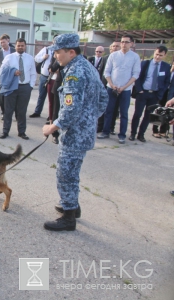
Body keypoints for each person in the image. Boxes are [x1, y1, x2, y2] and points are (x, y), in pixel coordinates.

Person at [42, 33, 108, 231]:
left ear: (71, 52)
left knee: (66, 174)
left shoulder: (74, 73)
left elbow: (70, 110)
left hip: (74, 135)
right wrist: (89, 119)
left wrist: (52, 127)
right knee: (73, 172)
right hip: (84, 131)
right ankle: (73, 207)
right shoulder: (87, 66)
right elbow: (103, 98)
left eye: (58, 52)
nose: (55, 56)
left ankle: (68, 217)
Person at [98, 34, 141, 144]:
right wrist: (112, 84)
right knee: (109, 111)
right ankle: (105, 131)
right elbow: (107, 72)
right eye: (122, 42)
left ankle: (121, 135)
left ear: (131, 43)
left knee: (124, 113)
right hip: (111, 88)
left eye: (126, 42)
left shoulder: (135, 57)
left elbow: (136, 74)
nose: (123, 44)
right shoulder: (113, 56)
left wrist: (124, 87)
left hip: (125, 90)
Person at [130, 46, 171, 142]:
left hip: (154, 95)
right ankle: (133, 133)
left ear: (164, 55)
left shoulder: (166, 66)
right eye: (156, 54)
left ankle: (141, 134)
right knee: (137, 114)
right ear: (154, 53)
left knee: (148, 116)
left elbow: (166, 82)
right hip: (143, 93)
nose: (158, 57)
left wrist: (160, 94)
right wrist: (139, 90)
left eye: (160, 55)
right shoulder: (145, 63)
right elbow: (137, 77)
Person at [0, 38, 36, 140]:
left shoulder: (30, 58)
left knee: (22, 111)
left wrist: (30, 86)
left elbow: (33, 73)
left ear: (25, 46)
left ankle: (22, 132)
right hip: (11, 88)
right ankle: (5, 131)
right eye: (18, 45)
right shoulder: (9, 57)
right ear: (15, 46)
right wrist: (13, 72)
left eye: (22, 45)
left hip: (25, 87)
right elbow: (2, 71)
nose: (20, 47)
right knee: (8, 111)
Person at [97, 41, 120, 133]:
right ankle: (100, 126)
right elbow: (100, 73)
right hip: (105, 86)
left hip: (117, 88)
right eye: (113, 46)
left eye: (117, 46)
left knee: (114, 108)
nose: (115, 48)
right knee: (103, 107)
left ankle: (111, 127)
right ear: (110, 49)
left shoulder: (121, 59)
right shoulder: (105, 58)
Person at [30, 37, 55, 118]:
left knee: (52, 97)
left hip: (53, 77)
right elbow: (36, 58)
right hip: (44, 76)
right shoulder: (46, 49)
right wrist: (43, 57)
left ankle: (51, 115)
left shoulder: (60, 51)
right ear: (53, 41)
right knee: (41, 95)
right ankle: (37, 111)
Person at [0, 34, 16, 119]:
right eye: (1, 43)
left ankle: (13, 112)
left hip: (13, 77)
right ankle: (4, 112)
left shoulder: (14, 51)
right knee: (2, 97)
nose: (2, 44)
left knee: (13, 96)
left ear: (8, 41)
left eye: (4, 42)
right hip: (3, 79)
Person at [153, 62, 174, 137]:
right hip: (163, 93)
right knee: (159, 111)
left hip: (171, 96)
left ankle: (163, 130)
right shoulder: (167, 68)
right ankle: (155, 130)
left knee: (168, 113)